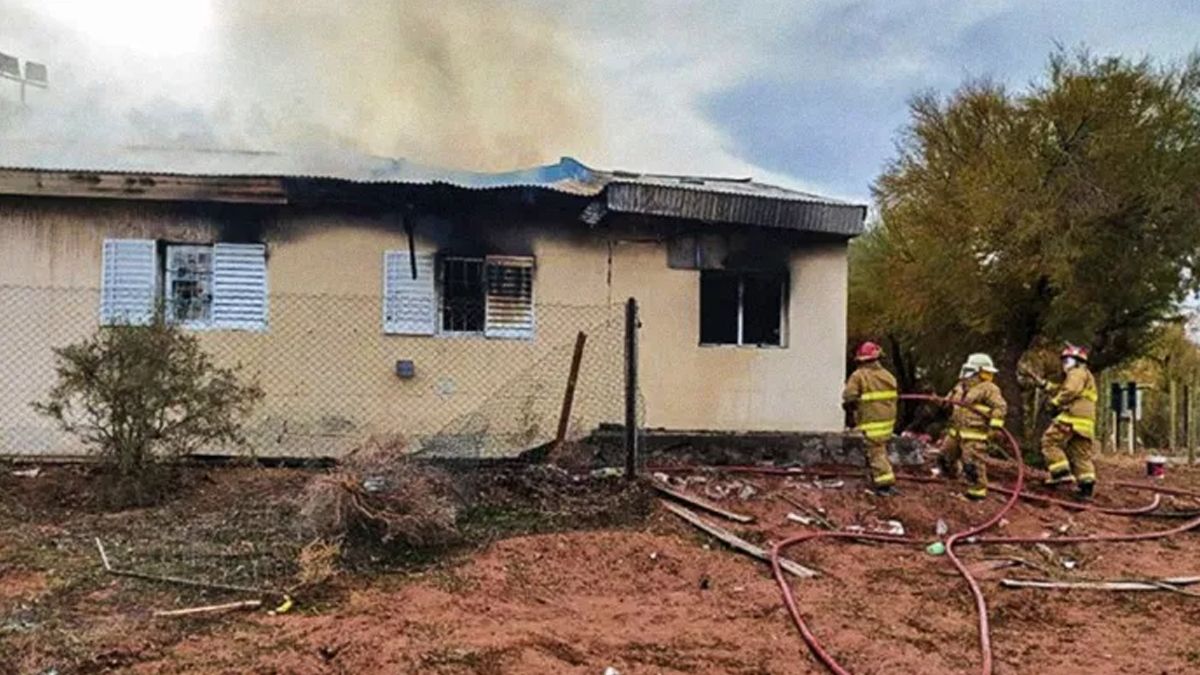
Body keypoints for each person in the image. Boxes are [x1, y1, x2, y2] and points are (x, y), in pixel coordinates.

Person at [938, 353, 1007, 501]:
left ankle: (976, 493)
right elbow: (949, 401)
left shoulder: (989, 388)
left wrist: (994, 427)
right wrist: (941, 402)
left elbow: (1000, 408)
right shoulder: (960, 386)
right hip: (956, 432)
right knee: (944, 456)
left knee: (972, 464)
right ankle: (951, 480)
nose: (988, 375)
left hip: (975, 433)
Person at [1040, 344, 1099, 501]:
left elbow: (1070, 390)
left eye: (1067, 361)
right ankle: (1086, 488)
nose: (1064, 365)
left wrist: (1055, 403)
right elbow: (1064, 388)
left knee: (1050, 442)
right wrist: (1045, 385)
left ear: (1078, 362)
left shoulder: (1077, 372)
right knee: (1080, 454)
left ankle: (1061, 474)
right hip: (1085, 423)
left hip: (1072, 418)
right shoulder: (1085, 375)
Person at [842, 341, 899, 496]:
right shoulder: (888, 376)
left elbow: (849, 396)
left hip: (871, 420)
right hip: (888, 420)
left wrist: (850, 410)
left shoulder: (859, 375)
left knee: (876, 450)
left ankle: (884, 484)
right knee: (880, 447)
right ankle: (877, 477)